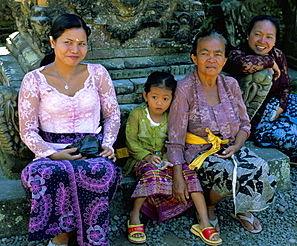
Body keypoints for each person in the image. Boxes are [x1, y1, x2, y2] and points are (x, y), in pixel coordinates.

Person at [18, 14, 122, 246]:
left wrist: (107, 144)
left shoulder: (98, 74)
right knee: (44, 174)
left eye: (81, 43)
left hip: (92, 148)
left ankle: (90, 237)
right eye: (68, 42)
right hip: (51, 150)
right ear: (53, 42)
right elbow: (28, 129)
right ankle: (61, 238)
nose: (75, 49)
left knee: (100, 170)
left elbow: (113, 115)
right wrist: (52, 154)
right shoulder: (33, 80)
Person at [166, 30, 276, 237]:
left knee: (261, 167)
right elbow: (175, 138)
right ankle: (208, 205)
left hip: (230, 147)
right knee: (231, 173)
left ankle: (242, 206)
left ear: (225, 60)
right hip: (199, 153)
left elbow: (245, 124)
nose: (211, 59)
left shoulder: (231, 84)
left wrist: (237, 145)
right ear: (194, 58)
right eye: (205, 53)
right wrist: (178, 176)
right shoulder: (184, 89)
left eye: (217, 54)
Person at [123, 71, 221, 245]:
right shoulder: (137, 115)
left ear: (172, 99)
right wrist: (147, 156)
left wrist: (169, 158)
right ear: (145, 95)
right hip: (141, 160)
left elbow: (176, 140)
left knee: (189, 175)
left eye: (165, 99)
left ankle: (204, 222)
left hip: (169, 159)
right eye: (154, 97)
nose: (159, 103)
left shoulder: (172, 117)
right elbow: (131, 142)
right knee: (151, 174)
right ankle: (135, 215)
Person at [227, 15, 297, 169]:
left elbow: (286, 86)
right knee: (287, 135)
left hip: (273, 106)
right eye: (257, 34)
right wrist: (269, 62)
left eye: (269, 37)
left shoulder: (278, 54)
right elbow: (245, 65)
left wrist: (281, 108)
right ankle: (291, 150)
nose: (263, 41)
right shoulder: (236, 54)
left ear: (275, 40)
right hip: (253, 117)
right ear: (247, 34)